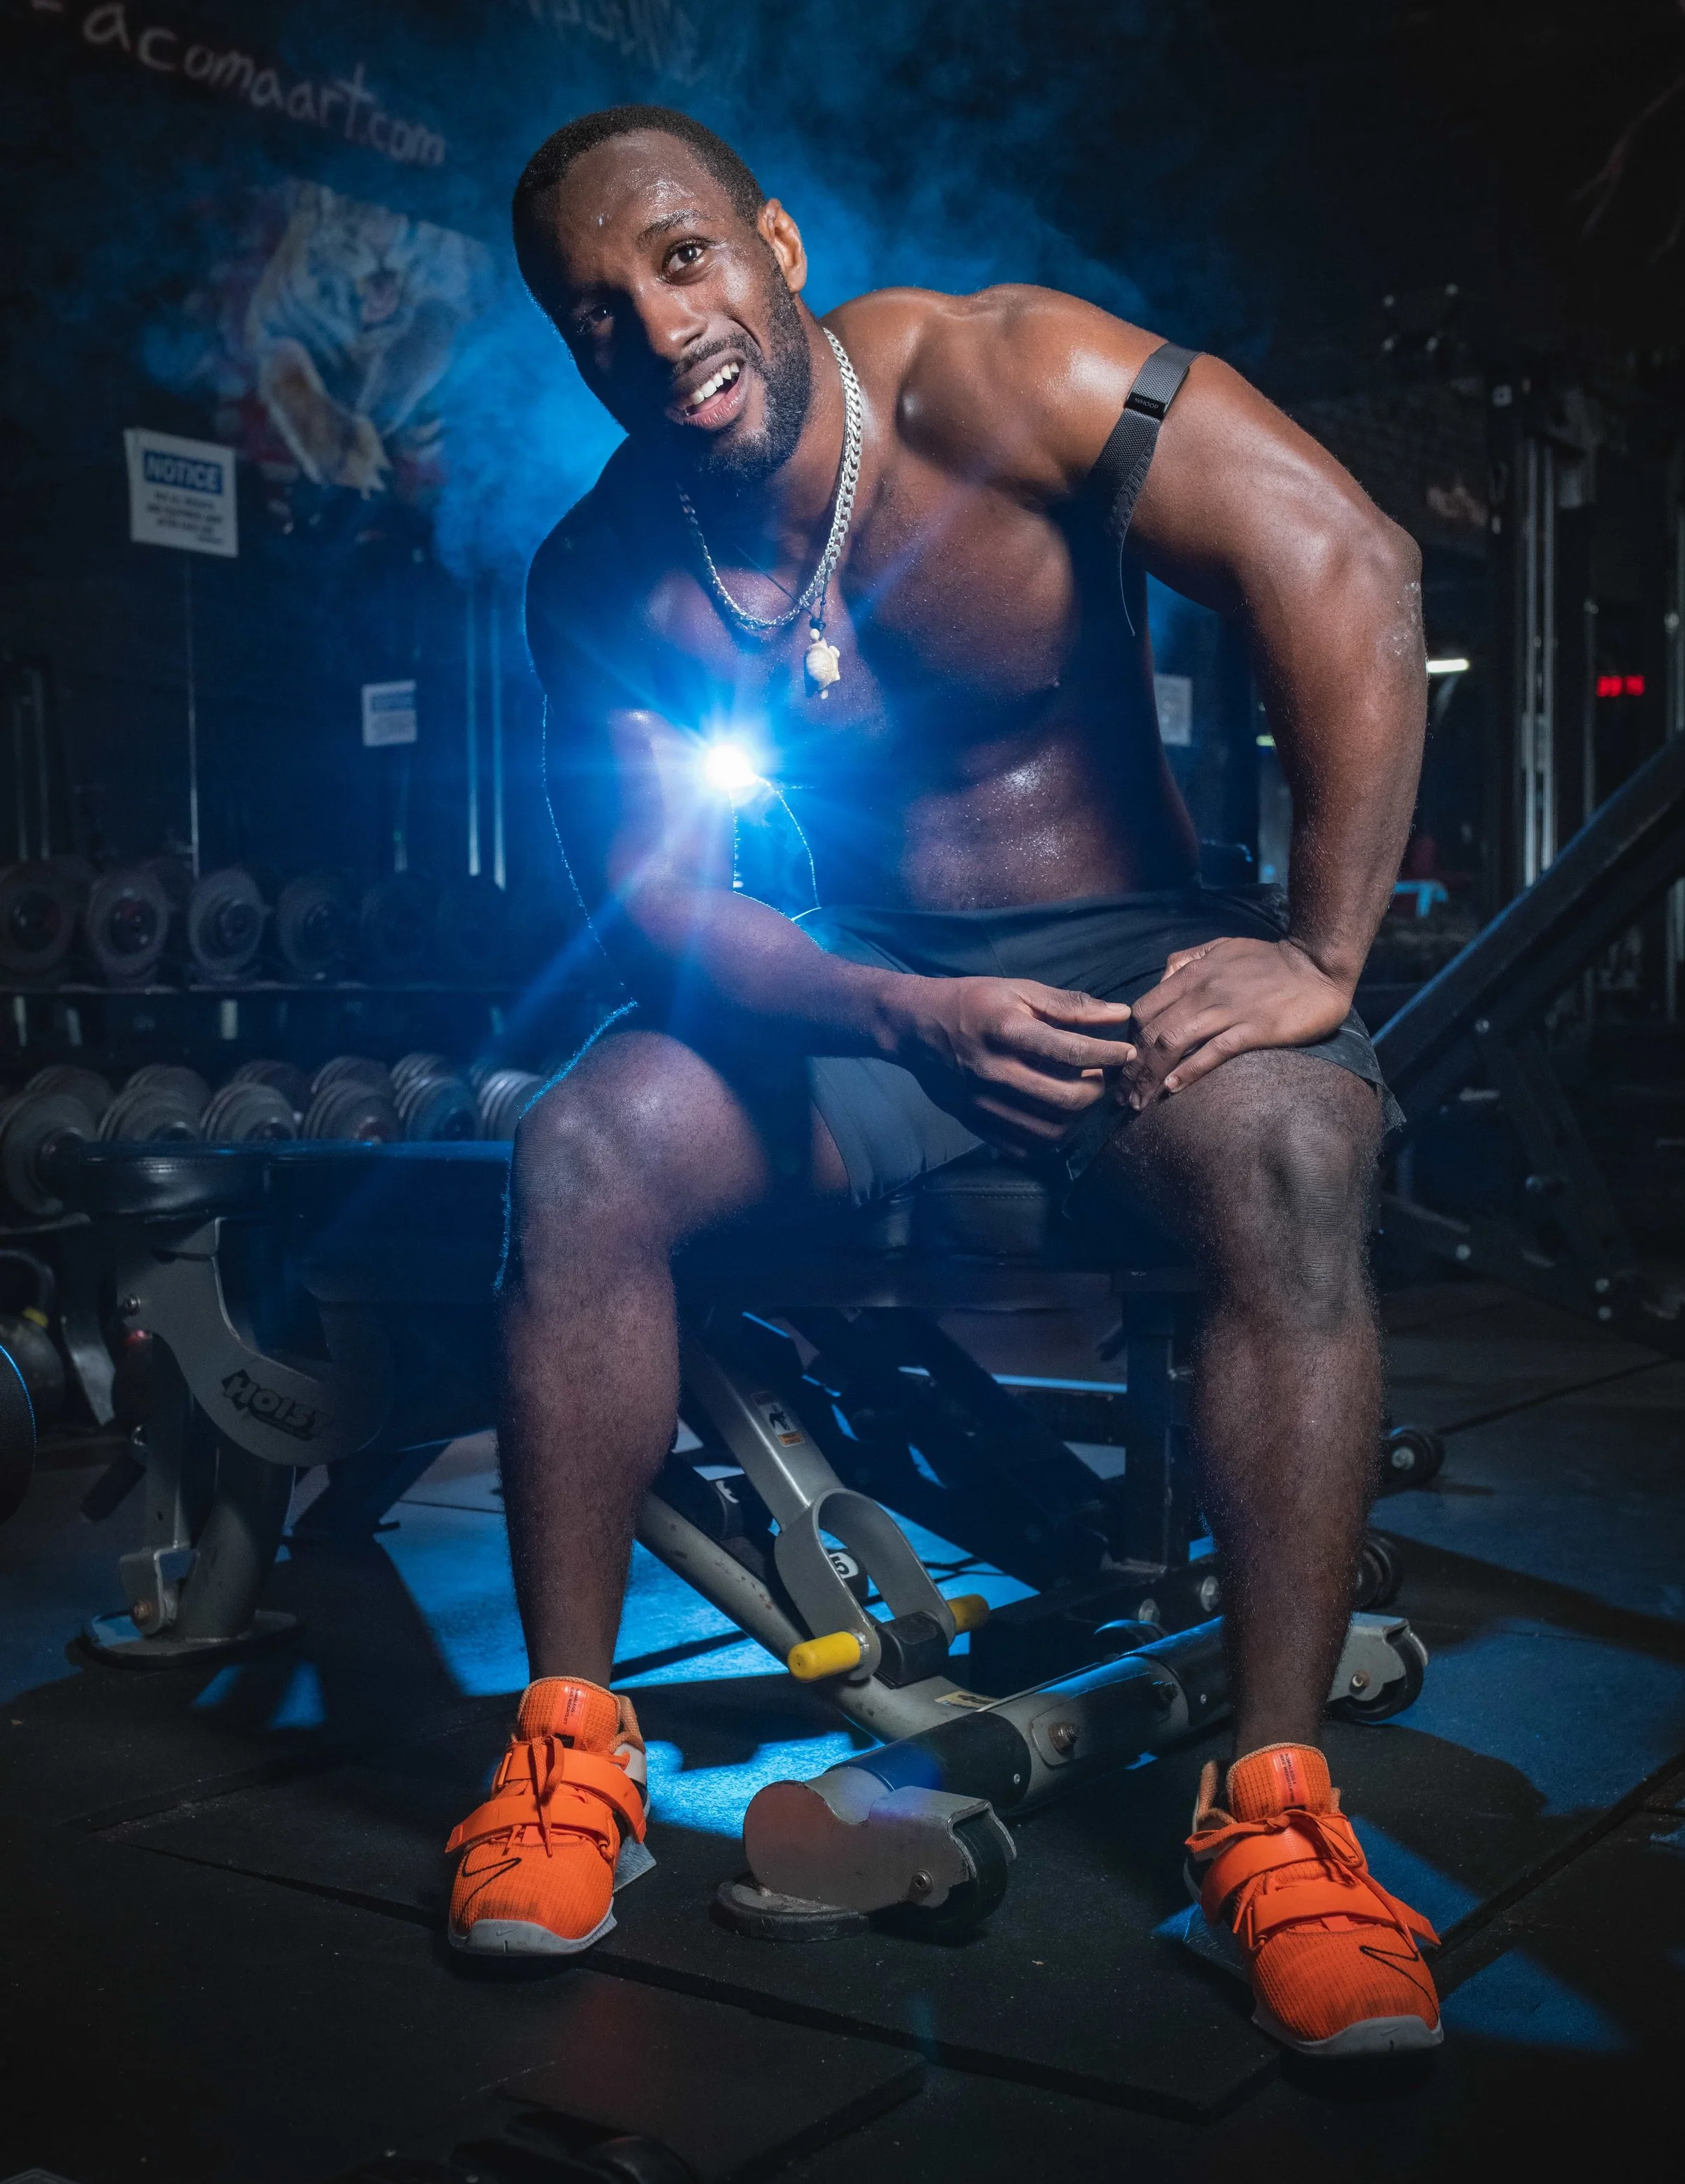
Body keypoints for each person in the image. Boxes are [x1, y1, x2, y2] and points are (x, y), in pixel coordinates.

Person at [444, 103, 1440, 2060]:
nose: (655, 329)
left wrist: (1321, 955)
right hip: (867, 1006)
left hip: (1134, 967)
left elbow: (1343, 554)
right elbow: (657, 910)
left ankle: (1278, 1815)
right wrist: (895, 1013)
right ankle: (568, 1750)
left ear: (776, 245)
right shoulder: (598, 577)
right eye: (593, 309)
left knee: (1291, 1143)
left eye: (680, 259)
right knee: (581, 1147)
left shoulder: (1006, 375)